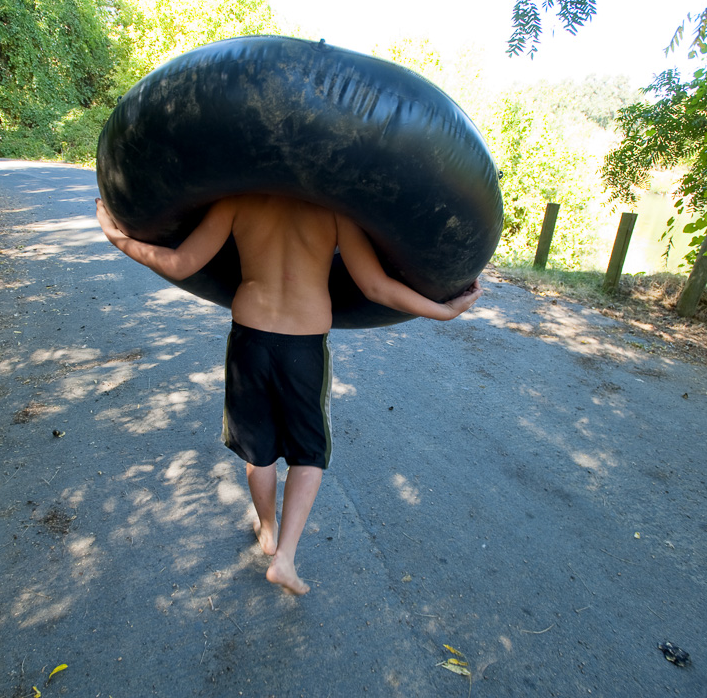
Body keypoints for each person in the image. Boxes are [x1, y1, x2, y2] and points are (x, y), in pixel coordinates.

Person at [96, 194, 482, 594]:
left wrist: (114, 235)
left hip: (251, 341)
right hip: (304, 348)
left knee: (257, 445)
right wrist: (445, 311)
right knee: (309, 452)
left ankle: (267, 529)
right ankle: (284, 557)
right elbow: (375, 287)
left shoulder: (237, 202)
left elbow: (179, 264)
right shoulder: (335, 210)